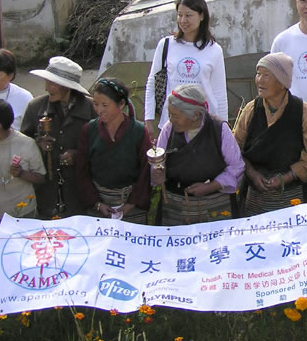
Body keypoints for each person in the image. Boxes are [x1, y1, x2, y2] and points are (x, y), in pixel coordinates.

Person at [233, 53, 307, 216]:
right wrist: (252, 174)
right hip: (255, 193)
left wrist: (286, 177)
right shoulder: (251, 109)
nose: (259, 80)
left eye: (266, 75)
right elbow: (235, 148)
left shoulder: (303, 111)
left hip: (292, 193)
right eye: (258, 74)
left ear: (282, 82)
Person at [153, 83, 245, 225]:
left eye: (175, 115)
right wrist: (158, 173)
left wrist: (211, 186)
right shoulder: (169, 129)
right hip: (175, 205)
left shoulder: (219, 129)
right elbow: (158, 162)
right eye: (169, 114)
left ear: (195, 115)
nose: (170, 119)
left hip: (215, 204)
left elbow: (236, 166)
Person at [21, 57, 96, 219]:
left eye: (52, 83)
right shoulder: (35, 108)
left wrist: (79, 155)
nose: (46, 88)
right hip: (46, 191)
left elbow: (101, 147)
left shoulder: (92, 108)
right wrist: (38, 145)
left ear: (67, 87)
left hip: (80, 190)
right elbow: (22, 145)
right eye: (47, 82)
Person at [144, 0, 228, 138]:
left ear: (202, 16)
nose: (183, 20)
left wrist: (223, 127)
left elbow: (219, 93)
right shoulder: (166, 45)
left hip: (203, 124)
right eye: (179, 15)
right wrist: (148, 119)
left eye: (188, 15)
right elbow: (152, 82)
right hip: (172, 122)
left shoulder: (214, 50)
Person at [77, 78, 152, 223]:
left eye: (105, 105)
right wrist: (97, 203)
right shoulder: (89, 130)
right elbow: (82, 170)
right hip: (98, 201)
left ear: (121, 104)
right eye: (95, 104)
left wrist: (131, 203)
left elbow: (145, 171)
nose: (99, 110)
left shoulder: (139, 131)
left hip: (131, 202)